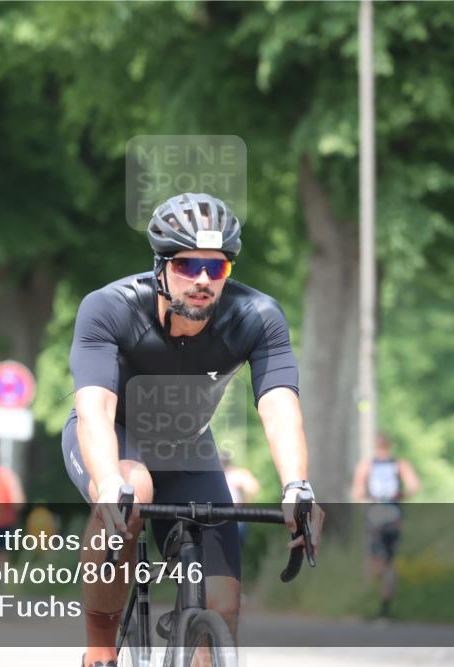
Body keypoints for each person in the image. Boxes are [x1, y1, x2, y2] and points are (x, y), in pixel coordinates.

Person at [61, 192, 324, 667]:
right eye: (187, 266)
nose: (203, 279)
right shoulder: (109, 308)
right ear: (160, 267)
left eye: (217, 267)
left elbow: (279, 405)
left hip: (187, 446)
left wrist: (297, 485)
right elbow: (95, 408)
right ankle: (100, 652)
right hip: (112, 437)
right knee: (131, 489)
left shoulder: (258, 318)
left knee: (221, 604)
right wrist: (110, 483)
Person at [350, 433, 421, 620]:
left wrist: (368, 497)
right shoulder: (400, 464)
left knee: (374, 563)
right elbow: (414, 486)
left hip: (375, 516)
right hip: (394, 515)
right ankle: (386, 607)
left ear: (375, 446)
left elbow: (357, 493)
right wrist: (400, 496)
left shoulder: (366, 465)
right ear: (389, 446)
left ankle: (373, 603)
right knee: (390, 563)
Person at [221, 450, 261, 545]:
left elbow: (253, 487)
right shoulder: (220, 475)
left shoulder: (235, 474)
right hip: (223, 516)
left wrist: (245, 505)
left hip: (236, 516)